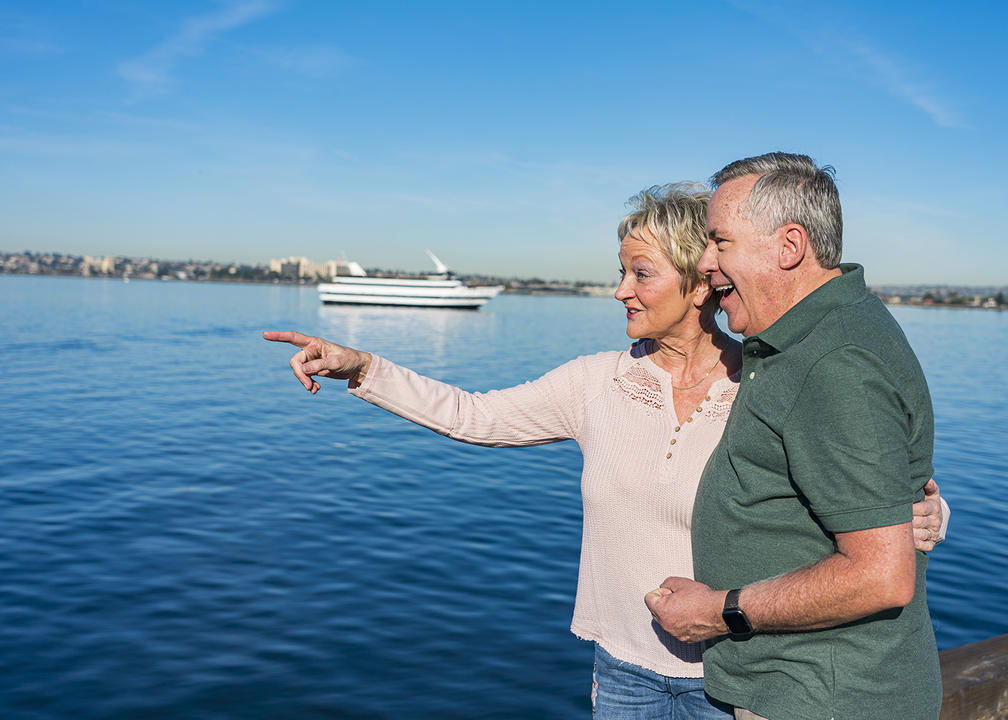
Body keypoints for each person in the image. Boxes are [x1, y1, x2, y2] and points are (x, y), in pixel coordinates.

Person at [265, 182, 948, 720]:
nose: (620, 290)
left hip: (737, 680)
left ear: (699, 281)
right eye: (620, 271)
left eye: (640, 273)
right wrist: (363, 368)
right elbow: (475, 416)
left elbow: (861, 489)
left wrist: (925, 513)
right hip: (622, 676)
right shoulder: (597, 383)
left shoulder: (768, 383)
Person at [646, 154, 944, 720]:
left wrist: (720, 611)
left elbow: (880, 574)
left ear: (789, 247)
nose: (705, 263)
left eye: (720, 242)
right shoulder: (806, 339)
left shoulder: (834, 361)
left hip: (824, 700)